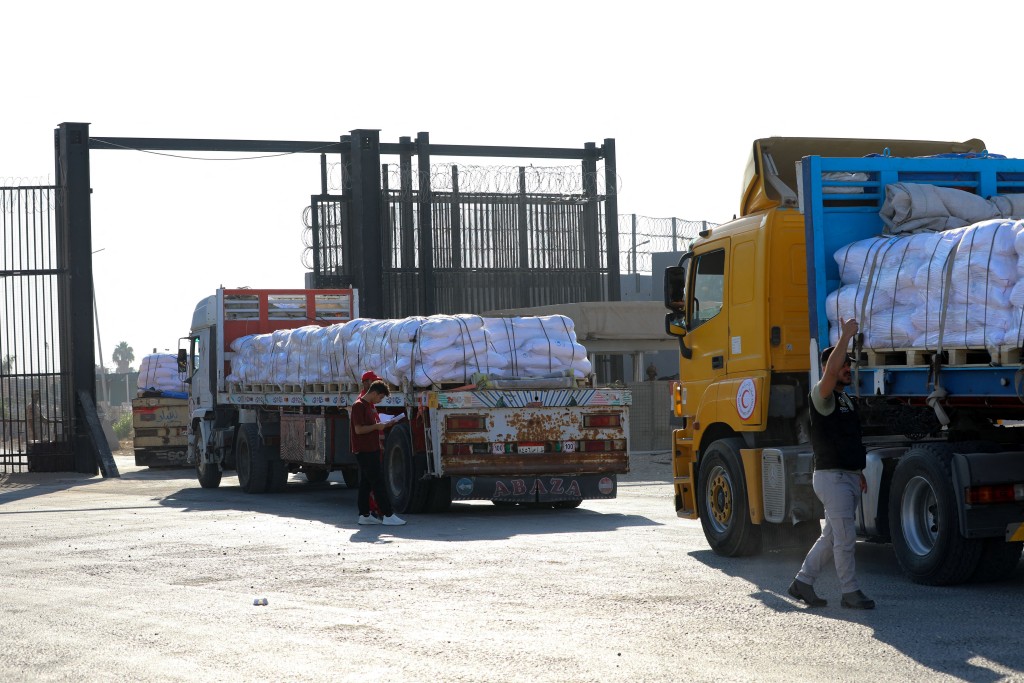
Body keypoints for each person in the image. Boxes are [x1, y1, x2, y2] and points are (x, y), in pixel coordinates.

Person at [789, 317, 875, 610]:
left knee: (831, 537)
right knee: (845, 538)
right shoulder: (821, 395)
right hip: (832, 477)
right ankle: (850, 592)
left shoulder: (845, 399)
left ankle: (803, 582)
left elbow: (848, 437)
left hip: (846, 475)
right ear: (829, 370)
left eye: (850, 365)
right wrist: (846, 336)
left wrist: (858, 471)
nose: (848, 368)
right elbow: (829, 371)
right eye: (843, 365)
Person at [350, 379, 406, 526]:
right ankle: (388, 514)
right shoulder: (359, 406)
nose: (380, 400)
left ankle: (364, 514)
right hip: (364, 450)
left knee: (366, 483)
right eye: (380, 397)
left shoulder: (369, 406)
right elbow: (358, 429)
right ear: (374, 393)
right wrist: (377, 427)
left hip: (371, 448)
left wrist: (385, 424)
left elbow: (372, 426)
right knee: (378, 482)